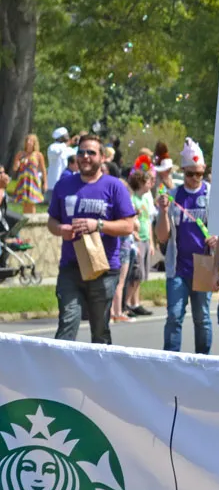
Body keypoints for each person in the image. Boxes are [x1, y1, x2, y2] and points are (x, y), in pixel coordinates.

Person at [47, 134, 137, 344]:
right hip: (71, 267)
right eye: (81, 152)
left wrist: (97, 225)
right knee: (67, 323)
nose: (85, 156)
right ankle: (60, 364)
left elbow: (128, 225)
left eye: (91, 152)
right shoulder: (64, 185)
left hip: (103, 269)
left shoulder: (114, 186)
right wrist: (60, 229)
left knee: (100, 330)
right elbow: (51, 221)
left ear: (102, 157)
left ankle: (100, 365)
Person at [154, 138, 217, 354]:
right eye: (190, 174)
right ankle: (171, 359)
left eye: (199, 174)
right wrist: (163, 212)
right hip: (178, 267)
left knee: (202, 317)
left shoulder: (211, 195)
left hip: (203, 265)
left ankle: (203, 359)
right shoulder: (174, 196)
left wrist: (217, 238)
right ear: (183, 172)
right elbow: (162, 237)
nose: (195, 178)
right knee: (174, 316)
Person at [125, 161, 155, 317]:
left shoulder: (146, 199)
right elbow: (131, 220)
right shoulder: (133, 199)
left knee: (141, 275)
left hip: (145, 240)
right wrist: (135, 237)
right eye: (148, 181)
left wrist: (151, 242)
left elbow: (148, 221)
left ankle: (135, 303)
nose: (151, 184)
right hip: (136, 241)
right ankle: (126, 303)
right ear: (141, 183)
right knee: (136, 274)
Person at [13, 134, 47, 214]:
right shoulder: (20, 154)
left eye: (31, 140)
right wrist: (17, 164)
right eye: (27, 140)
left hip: (33, 180)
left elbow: (43, 170)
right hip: (23, 180)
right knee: (24, 203)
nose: (28, 142)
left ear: (34, 143)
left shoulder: (38, 155)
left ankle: (32, 220)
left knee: (32, 203)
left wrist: (45, 183)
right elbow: (15, 168)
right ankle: (25, 219)